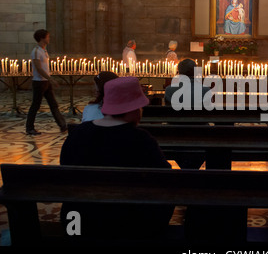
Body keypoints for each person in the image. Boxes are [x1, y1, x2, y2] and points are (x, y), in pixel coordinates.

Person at [60, 77, 173, 239]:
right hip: (129, 225)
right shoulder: (141, 140)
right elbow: (165, 177)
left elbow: (65, 171)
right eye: (140, 107)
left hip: (78, 223)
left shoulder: (78, 133)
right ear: (133, 109)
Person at [26, 29, 67, 135]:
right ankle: (29, 128)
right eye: (47, 37)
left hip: (46, 81)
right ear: (42, 38)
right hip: (39, 82)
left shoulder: (44, 50)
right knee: (35, 105)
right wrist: (51, 79)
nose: (49, 39)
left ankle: (63, 125)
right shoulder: (36, 51)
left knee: (53, 104)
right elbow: (39, 68)